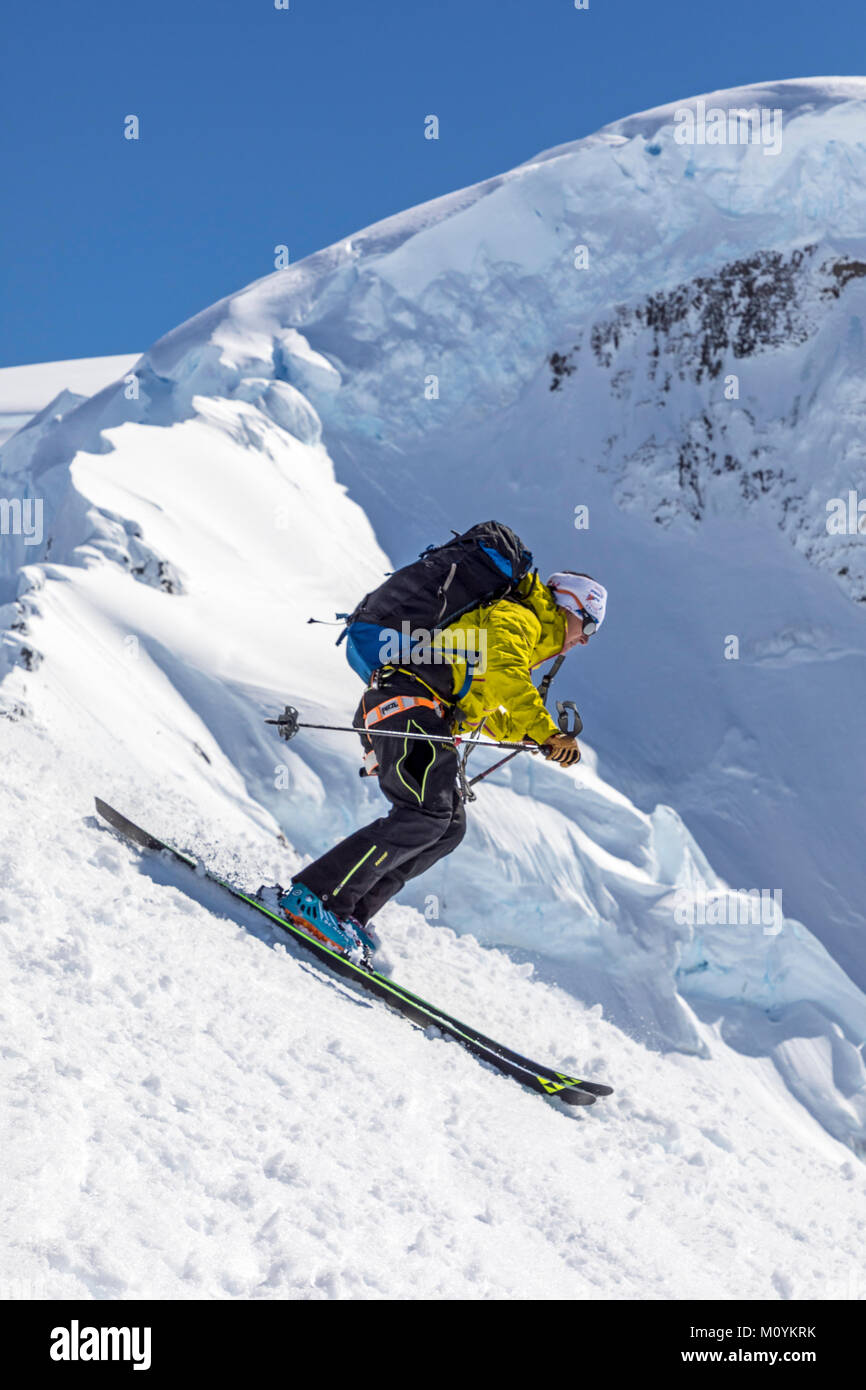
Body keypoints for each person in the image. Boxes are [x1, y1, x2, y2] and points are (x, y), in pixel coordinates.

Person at [280, 568, 607, 953]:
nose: (585, 639)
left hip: (419, 712)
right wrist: (545, 730)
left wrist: (526, 734)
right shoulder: (520, 617)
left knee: (448, 826)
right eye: (589, 625)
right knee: (425, 814)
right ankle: (317, 898)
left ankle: (350, 913)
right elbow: (507, 676)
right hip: (408, 706)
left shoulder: (524, 629)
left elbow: (481, 699)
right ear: (570, 606)